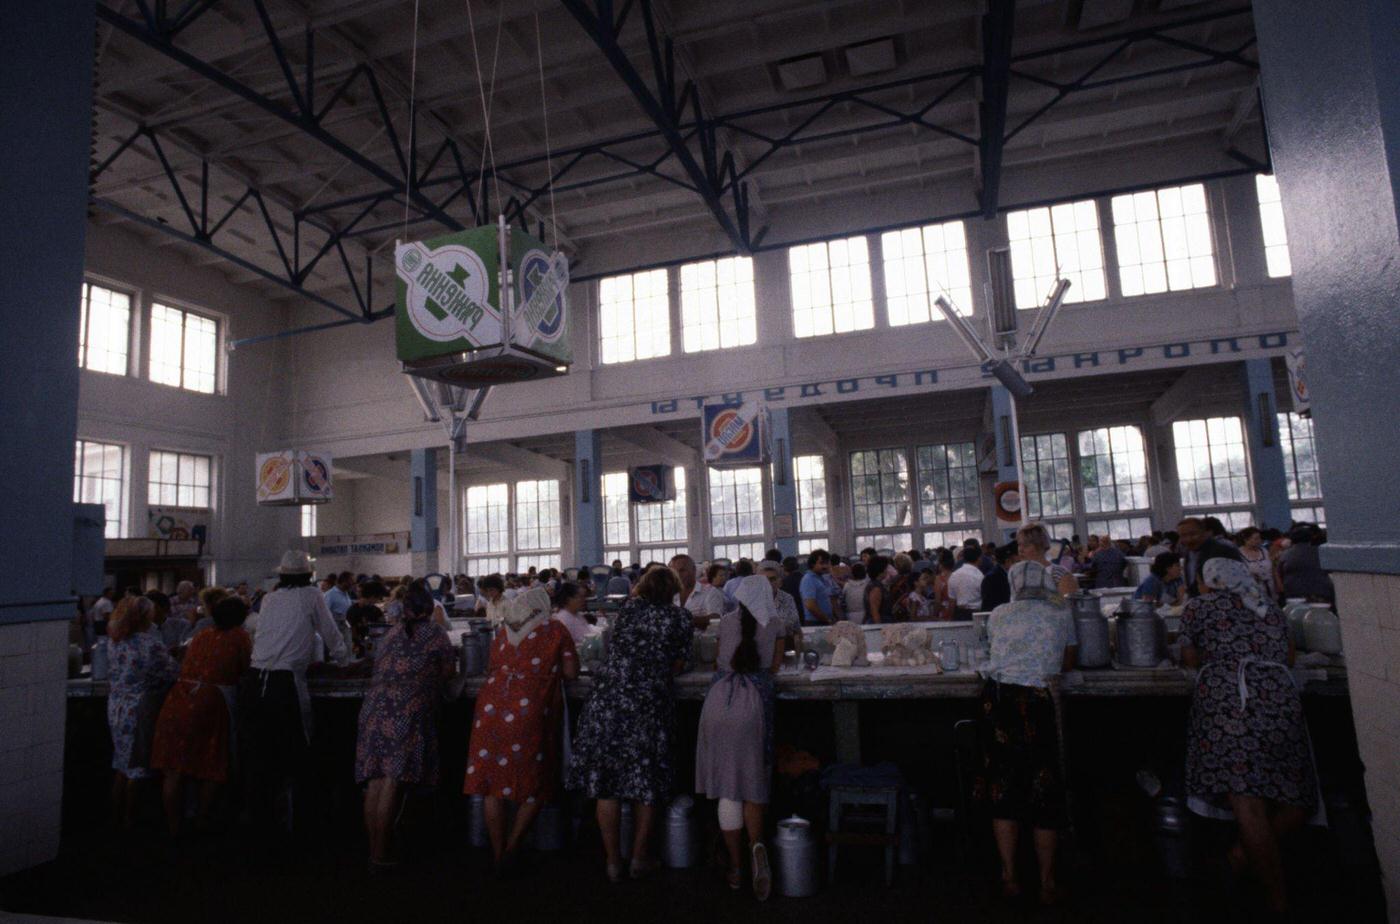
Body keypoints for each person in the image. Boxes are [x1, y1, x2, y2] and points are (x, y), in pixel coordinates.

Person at [1179, 558, 1318, 914]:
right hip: (1279, 699)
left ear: (1209, 581)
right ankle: (1242, 860)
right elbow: (1288, 656)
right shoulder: (1269, 607)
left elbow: (1190, 658)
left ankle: (1272, 894)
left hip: (1229, 704)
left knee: (1248, 804)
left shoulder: (1197, 607)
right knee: (1296, 796)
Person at [567, 567, 692, 882]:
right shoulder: (680, 618)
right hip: (647, 706)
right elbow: (678, 664)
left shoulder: (628, 610)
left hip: (607, 701)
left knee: (605, 786)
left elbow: (614, 648)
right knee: (645, 785)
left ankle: (612, 862)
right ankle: (639, 858)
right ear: (673, 590)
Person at [975, 557, 1078, 905]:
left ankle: (1009, 877)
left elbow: (992, 652)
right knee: (1044, 789)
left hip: (1001, 701)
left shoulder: (999, 614)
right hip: (1038, 701)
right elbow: (1067, 662)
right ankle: (1048, 882)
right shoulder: (1060, 612)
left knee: (1003, 786)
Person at [464, 587, 578, 873]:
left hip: (490, 706)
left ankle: (497, 851)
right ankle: (513, 848)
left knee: (492, 783)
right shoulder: (555, 630)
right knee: (533, 782)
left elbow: (492, 666)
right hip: (528, 710)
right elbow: (571, 673)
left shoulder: (505, 630)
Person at [239, 550, 349, 833]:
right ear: (308, 575)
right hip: (283, 684)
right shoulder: (311, 595)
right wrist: (344, 661)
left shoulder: (269, 599)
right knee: (295, 752)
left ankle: (258, 821)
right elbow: (330, 633)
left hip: (254, 680)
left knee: (260, 755)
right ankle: (298, 822)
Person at [695, 576, 785, 899]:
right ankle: (756, 846)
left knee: (727, 789)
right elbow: (774, 667)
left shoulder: (727, 622)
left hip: (718, 703)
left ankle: (735, 867)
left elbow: (720, 658)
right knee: (752, 784)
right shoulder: (775, 622)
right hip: (753, 706)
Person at [355, 582, 455, 872]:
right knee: (392, 781)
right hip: (406, 711)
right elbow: (448, 671)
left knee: (374, 780)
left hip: (374, 708)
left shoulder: (391, 634)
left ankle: (374, 850)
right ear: (429, 608)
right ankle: (382, 854)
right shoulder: (435, 633)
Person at [151, 596, 252, 837]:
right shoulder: (239, 637)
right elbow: (247, 670)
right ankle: (202, 823)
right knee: (211, 765)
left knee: (173, 768)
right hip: (210, 701)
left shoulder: (202, 634)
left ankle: (173, 828)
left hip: (178, 698)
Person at [105, 596, 178, 828]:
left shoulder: (114, 641)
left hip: (115, 705)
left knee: (121, 764)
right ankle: (130, 818)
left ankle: (115, 814)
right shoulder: (150, 644)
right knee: (136, 766)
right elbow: (170, 673)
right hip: (138, 708)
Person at [1177, 517, 1244, 596]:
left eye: (1193, 534)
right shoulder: (1189, 552)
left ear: (1205, 533)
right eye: (1183, 535)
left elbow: (1236, 582)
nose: (1188, 539)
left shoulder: (1223, 551)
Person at [1277, 524, 1335, 603]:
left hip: (1295, 594)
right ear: (1310, 538)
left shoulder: (1285, 555)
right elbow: (1330, 569)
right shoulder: (1320, 552)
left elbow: (1279, 573)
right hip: (1321, 592)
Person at [672, 553, 728, 628]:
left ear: (694, 570)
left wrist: (685, 620)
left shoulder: (710, 592)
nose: (678, 575)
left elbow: (716, 619)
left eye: (682, 570)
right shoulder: (670, 594)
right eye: (674, 572)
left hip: (700, 638)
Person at [755, 559, 802, 642]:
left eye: (772, 579)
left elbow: (796, 627)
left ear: (779, 581)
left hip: (785, 643)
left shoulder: (787, 598)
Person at [797, 549, 838, 625]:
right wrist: (827, 619)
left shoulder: (821, 578)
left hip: (824, 620)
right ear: (812, 564)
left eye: (827, 563)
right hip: (815, 622)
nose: (825, 566)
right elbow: (810, 605)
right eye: (822, 563)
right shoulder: (808, 579)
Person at [947, 545, 985, 619]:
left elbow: (952, 601)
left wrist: (950, 618)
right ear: (979, 558)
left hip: (959, 613)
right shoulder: (980, 576)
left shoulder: (954, 575)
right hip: (977, 614)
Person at [553, 581, 592, 645]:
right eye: (581, 597)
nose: (584, 600)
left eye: (585, 597)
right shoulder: (563, 620)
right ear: (568, 599)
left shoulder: (576, 615)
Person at [980, 544, 1015, 611]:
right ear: (1008, 561)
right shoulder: (992, 578)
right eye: (1018, 561)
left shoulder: (1007, 574)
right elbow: (989, 606)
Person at [863, 555, 895, 624]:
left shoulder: (874, 584)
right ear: (881, 570)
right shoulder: (876, 588)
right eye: (886, 568)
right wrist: (879, 628)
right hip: (880, 622)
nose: (887, 570)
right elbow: (874, 611)